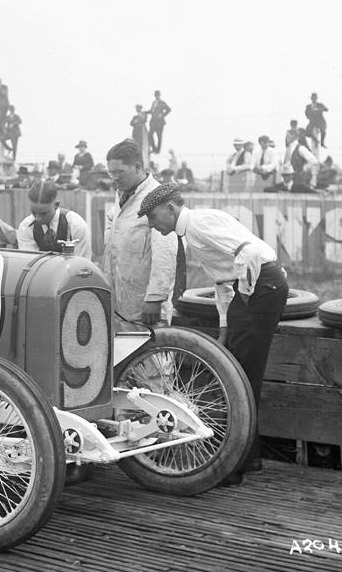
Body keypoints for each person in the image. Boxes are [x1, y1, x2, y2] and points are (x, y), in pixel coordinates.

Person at [139, 183, 288, 486]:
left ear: (170, 207)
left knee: (242, 380)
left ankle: (236, 464)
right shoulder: (193, 232)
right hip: (253, 292)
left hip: (259, 289)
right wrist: (225, 328)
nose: (154, 225)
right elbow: (223, 284)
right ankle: (246, 459)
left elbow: (253, 252)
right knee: (239, 378)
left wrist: (246, 295)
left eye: (154, 217)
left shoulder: (200, 223)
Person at [101, 140, 177, 330]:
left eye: (119, 172)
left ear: (137, 167)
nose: (114, 178)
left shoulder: (158, 196)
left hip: (146, 306)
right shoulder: (122, 195)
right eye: (111, 173)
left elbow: (166, 253)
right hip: (119, 301)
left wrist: (155, 297)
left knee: (154, 357)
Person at [16, 181, 90, 258]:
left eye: (43, 213)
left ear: (56, 205)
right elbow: (29, 262)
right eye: (34, 212)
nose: (38, 218)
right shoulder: (26, 227)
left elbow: (81, 264)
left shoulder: (76, 225)